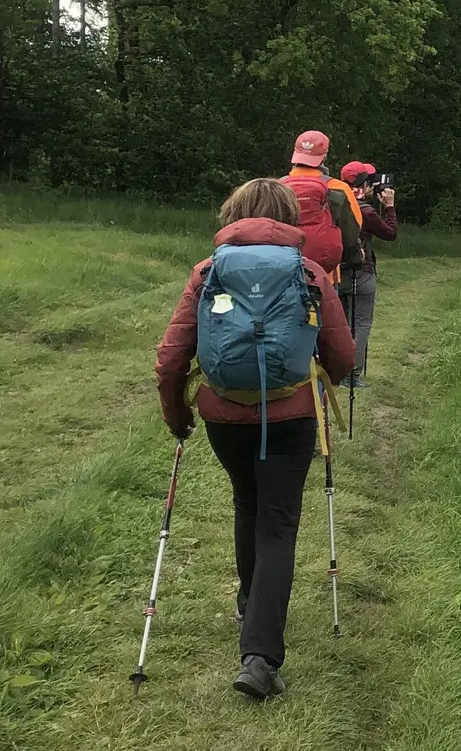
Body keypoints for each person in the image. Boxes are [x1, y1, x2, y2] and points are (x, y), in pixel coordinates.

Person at [155, 178, 354, 700]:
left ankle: (251, 602)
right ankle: (260, 656)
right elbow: (343, 354)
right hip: (290, 415)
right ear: (288, 218)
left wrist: (178, 416)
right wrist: (323, 377)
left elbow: (172, 357)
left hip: (226, 415)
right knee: (279, 523)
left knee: (247, 501)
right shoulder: (307, 272)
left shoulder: (208, 272)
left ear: (234, 215)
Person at [337, 160, 398, 387]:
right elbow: (390, 234)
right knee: (360, 324)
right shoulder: (365, 211)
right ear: (362, 184)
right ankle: (352, 376)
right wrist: (390, 207)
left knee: (340, 325)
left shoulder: (333, 203)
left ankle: (336, 371)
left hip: (336, 272)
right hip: (361, 273)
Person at [280, 130, 363, 277]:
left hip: (282, 265)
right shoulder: (339, 187)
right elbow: (351, 231)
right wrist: (355, 257)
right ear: (324, 155)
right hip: (324, 271)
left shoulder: (277, 186)